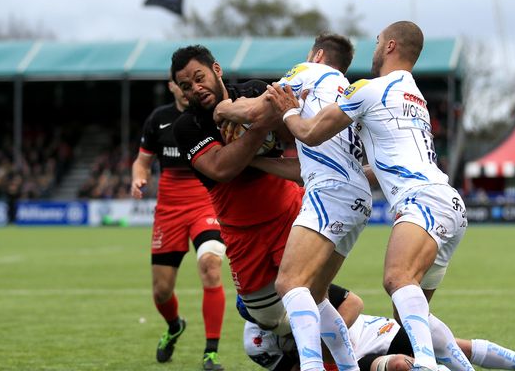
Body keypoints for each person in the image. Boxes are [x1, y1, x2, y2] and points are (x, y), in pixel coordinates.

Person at [266, 21, 470, 371]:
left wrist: (288, 110)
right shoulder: (414, 97)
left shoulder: (369, 89)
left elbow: (312, 134)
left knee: (396, 279)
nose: (374, 49)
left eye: (377, 42)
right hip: (449, 204)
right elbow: (379, 165)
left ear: (390, 46)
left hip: (421, 201)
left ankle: (425, 364)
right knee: (410, 311)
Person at [215, 33, 369, 371]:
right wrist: (253, 161)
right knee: (315, 294)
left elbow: (256, 111)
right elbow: (303, 166)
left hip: (329, 192)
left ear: (316, 55)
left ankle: (311, 367)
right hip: (358, 198)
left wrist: (223, 108)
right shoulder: (348, 92)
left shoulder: (308, 72)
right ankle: (349, 368)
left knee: (289, 284)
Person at [170, 45, 305, 344]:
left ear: (216, 69)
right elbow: (221, 168)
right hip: (241, 230)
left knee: (307, 297)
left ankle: (358, 335)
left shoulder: (254, 90)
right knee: (269, 320)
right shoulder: (186, 127)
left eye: (199, 77)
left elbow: (292, 130)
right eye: (186, 86)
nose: (196, 88)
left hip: (287, 211)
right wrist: (256, 126)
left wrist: (246, 112)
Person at [130, 79, 226, 369]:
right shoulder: (159, 119)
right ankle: (174, 326)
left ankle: (210, 353)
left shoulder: (214, 114)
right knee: (161, 291)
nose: (188, 89)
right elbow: (142, 161)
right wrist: (138, 177)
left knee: (210, 265)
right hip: (169, 211)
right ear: (172, 86)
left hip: (205, 203)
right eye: (182, 83)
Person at [241, 292, 515, 371]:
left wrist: (326, 335)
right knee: (399, 365)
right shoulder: (255, 342)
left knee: (451, 343)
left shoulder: (294, 293)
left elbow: (353, 303)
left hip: (374, 332)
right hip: (350, 364)